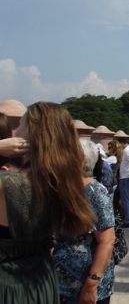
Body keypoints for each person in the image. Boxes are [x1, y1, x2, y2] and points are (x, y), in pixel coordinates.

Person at [0, 101, 97, 303]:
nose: (14, 130)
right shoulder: (63, 182)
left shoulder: (9, 184)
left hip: (10, 283)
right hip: (41, 279)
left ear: (32, 133)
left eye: (19, 125)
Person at [54, 139, 116, 304]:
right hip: (62, 285)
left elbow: (107, 241)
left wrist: (91, 284)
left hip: (85, 287)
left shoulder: (95, 193)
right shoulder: (66, 190)